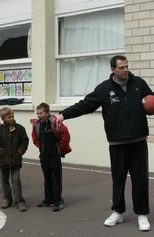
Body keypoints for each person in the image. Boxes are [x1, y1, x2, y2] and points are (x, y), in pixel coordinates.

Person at [56, 55, 151, 231]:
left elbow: (150, 100)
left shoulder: (138, 83)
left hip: (138, 140)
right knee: (118, 179)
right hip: (117, 142)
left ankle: (142, 214)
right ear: (113, 69)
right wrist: (64, 114)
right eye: (121, 67)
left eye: (127, 66)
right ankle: (117, 212)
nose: (125, 70)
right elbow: (85, 105)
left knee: (140, 179)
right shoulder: (104, 89)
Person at [31, 103, 71, 212]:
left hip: (54, 155)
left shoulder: (56, 123)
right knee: (47, 178)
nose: (39, 115)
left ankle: (58, 201)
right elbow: (35, 138)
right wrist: (40, 147)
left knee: (56, 179)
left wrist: (61, 150)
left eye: (41, 113)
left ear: (48, 113)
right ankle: (48, 199)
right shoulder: (36, 125)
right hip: (43, 155)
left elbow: (65, 136)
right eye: (37, 113)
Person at [0, 107, 29, 212]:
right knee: (4, 180)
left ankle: (19, 201)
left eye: (12, 116)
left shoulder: (20, 129)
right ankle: (7, 199)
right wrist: (1, 151)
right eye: (9, 117)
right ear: (3, 119)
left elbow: (24, 141)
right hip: (3, 160)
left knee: (16, 180)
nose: (11, 118)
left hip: (15, 160)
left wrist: (19, 152)